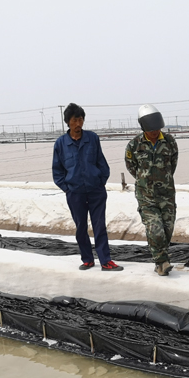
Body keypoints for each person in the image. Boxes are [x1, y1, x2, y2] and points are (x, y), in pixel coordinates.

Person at [52, 103, 123, 271]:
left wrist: (101, 181)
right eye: (74, 120)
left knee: (99, 225)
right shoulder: (61, 144)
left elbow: (101, 162)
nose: (78, 124)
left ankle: (105, 261)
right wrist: (67, 188)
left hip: (95, 190)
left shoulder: (92, 139)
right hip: (75, 193)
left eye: (81, 120)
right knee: (81, 227)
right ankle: (87, 259)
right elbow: (57, 171)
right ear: (67, 122)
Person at [125, 104, 178, 276]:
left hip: (167, 194)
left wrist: (163, 180)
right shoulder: (134, 145)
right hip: (146, 195)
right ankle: (162, 262)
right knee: (155, 229)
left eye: (157, 129)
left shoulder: (169, 142)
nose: (155, 132)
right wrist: (146, 180)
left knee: (167, 228)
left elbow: (172, 164)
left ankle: (160, 259)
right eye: (151, 129)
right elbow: (132, 167)